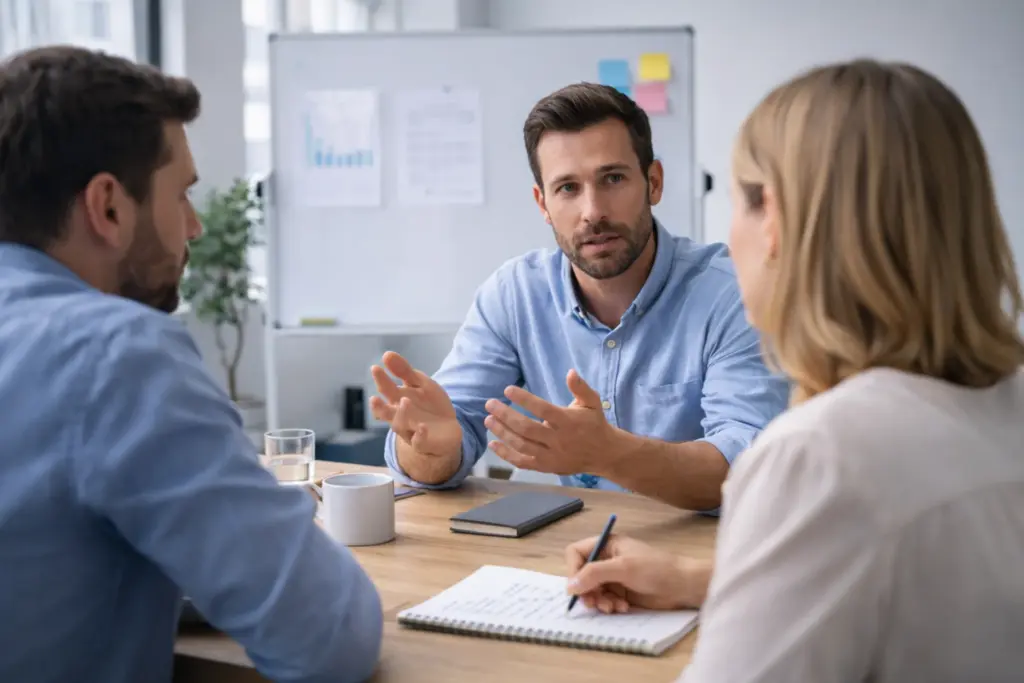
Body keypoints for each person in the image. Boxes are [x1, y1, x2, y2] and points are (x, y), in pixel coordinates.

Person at [564, 59, 1024, 682]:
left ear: (774, 218)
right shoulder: (1003, 401)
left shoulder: (822, 457)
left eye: (737, 199)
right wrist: (703, 578)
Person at [0, 46, 382, 683]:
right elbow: (328, 639)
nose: (196, 227)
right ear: (109, 208)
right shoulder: (112, 354)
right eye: (181, 194)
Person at [370, 83, 789, 511]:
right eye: (568, 188)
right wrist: (429, 451)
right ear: (543, 203)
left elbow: (749, 466)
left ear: (654, 182)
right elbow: (443, 439)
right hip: (559, 551)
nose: (593, 211)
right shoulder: (514, 294)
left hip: (693, 560)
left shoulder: (730, 292)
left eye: (612, 178)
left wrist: (606, 452)